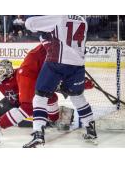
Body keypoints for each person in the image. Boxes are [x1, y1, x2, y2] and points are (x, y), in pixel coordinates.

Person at [0, 46, 76, 144]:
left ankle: (52, 119)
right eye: (0, 71)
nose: (1, 74)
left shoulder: (18, 74)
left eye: (4, 71)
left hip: (24, 101)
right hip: (11, 104)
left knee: (51, 98)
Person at [23, 15, 97, 148]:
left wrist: (43, 29)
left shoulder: (59, 17)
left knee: (40, 97)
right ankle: (91, 130)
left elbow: (30, 23)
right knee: (78, 97)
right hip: (77, 65)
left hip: (56, 62)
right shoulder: (82, 20)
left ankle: (38, 134)